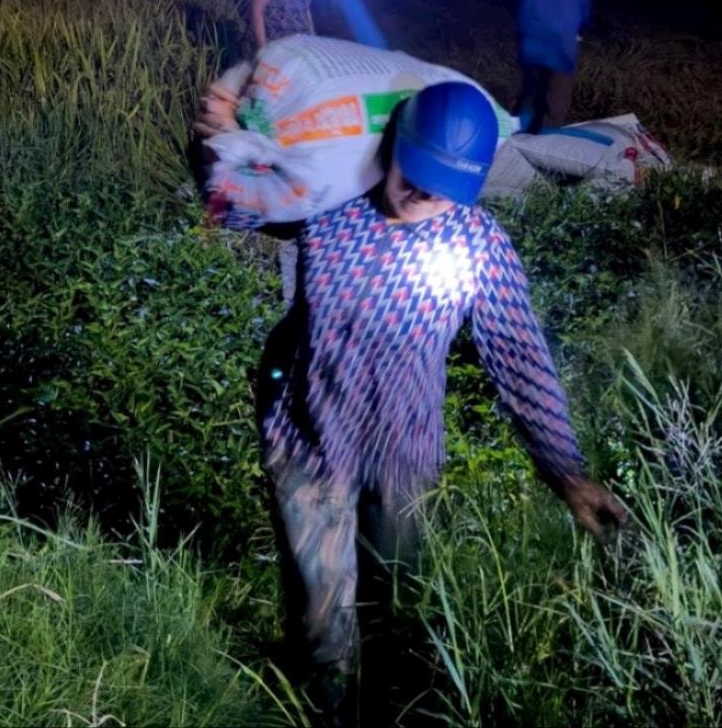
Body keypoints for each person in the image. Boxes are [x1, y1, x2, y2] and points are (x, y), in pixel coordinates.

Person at [256, 80, 627, 723]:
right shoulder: (329, 210)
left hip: (405, 458)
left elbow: (520, 360)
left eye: (443, 184)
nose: (422, 194)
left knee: (398, 612)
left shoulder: (476, 244)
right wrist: (220, 133)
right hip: (311, 448)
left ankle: (392, 713)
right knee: (323, 626)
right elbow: (234, 199)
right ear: (393, 146)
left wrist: (565, 472)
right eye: (414, 172)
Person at [514, 0, 592, 134]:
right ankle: (545, 145)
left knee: (529, 96)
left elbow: (522, 20)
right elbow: (584, 18)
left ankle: (517, 142)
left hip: (533, 51)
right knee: (556, 104)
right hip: (563, 53)